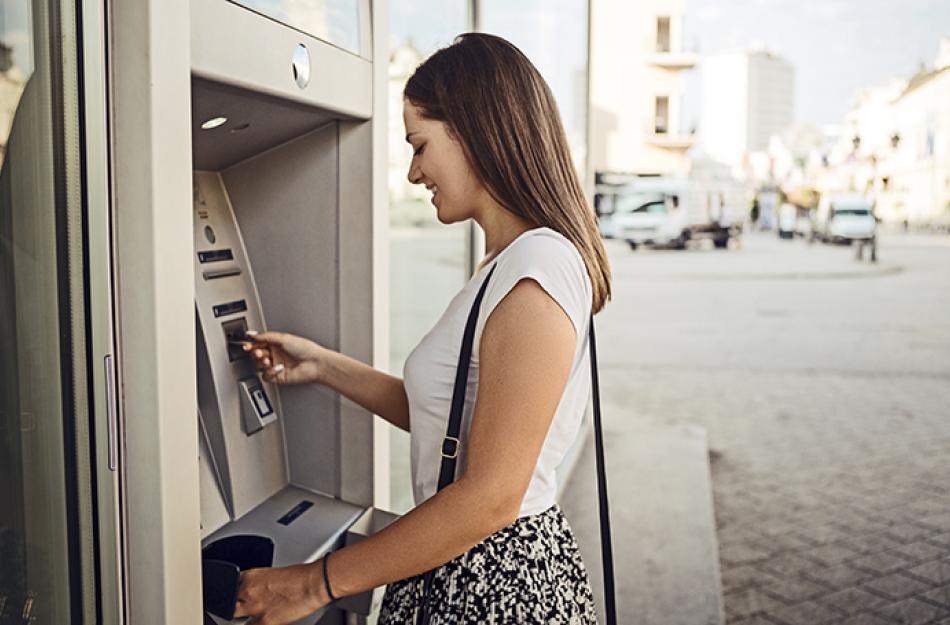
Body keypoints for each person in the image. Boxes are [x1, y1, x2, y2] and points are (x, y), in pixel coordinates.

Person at [233, 33, 612, 625]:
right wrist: (324, 366)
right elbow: (455, 426)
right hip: (465, 569)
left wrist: (311, 585)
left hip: (496, 585)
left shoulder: (538, 270)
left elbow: (490, 498)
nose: (414, 173)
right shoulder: (506, 265)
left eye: (420, 146)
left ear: (475, 132)